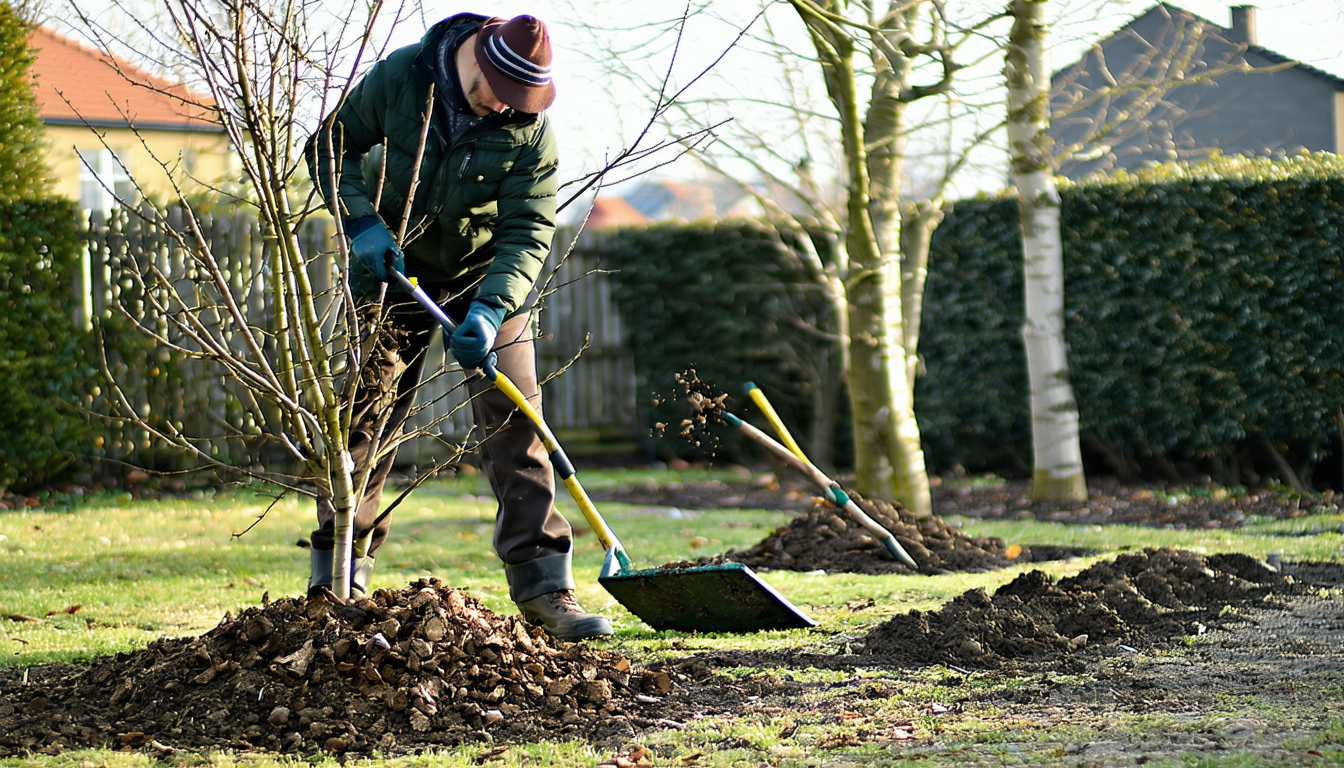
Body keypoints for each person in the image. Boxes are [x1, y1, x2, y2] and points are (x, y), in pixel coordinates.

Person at [304, 13, 612, 641]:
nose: (505, 107)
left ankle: (546, 587)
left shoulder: (528, 129)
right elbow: (329, 147)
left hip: (484, 277)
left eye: (520, 101)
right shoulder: (402, 77)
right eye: (500, 92)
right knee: (366, 421)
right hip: (395, 265)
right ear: (479, 60)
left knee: (518, 422)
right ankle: (337, 580)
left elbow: (529, 231)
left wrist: (493, 309)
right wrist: (361, 223)